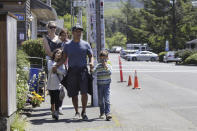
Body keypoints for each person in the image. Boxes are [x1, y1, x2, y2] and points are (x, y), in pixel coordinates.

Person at [53, 24, 94, 120]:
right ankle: (77, 112)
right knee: (74, 93)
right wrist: (56, 65)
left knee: (84, 93)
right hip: (72, 72)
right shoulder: (67, 45)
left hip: (83, 71)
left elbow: (91, 56)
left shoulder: (86, 44)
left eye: (80, 31)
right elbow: (63, 59)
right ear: (73, 33)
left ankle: (84, 112)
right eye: (77, 31)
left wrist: (91, 63)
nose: (79, 33)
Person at [47, 48, 66, 120]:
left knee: (57, 99)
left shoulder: (62, 63)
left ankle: (56, 112)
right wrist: (55, 68)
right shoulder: (50, 61)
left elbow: (64, 72)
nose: (59, 54)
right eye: (57, 53)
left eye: (60, 54)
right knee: (52, 99)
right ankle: (53, 111)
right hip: (51, 83)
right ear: (54, 54)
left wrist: (56, 69)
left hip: (58, 84)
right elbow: (49, 69)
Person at [93, 50, 112, 121]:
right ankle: (102, 112)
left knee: (107, 99)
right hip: (100, 85)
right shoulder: (98, 66)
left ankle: (108, 113)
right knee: (100, 100)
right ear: (100, 58)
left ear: (107, 58)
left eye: (105, 58)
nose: (103, 60)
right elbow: (94, 73)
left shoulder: (109, 65)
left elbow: (110, 73)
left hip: (107, 85)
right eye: (102, 58)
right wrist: (94, 69)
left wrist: (105, 67)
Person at [58, 28, 70, 115]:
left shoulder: (70, 43)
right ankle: (59, 107)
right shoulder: (59, 43)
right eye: (62, 35)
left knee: (68, 88)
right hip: (60, 67)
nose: (64, 37)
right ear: (60, 36)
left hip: (68, 67)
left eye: (65, 35)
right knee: (60, 88)